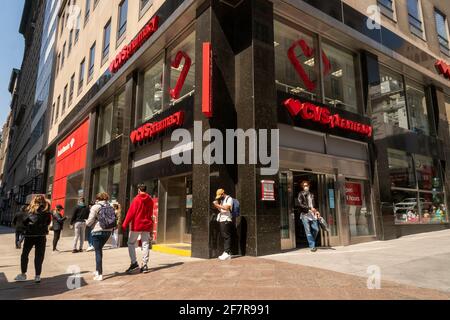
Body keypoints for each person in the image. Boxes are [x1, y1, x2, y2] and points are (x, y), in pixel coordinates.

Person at [14, 195, 52, 283]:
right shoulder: (47, 212)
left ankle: (23, 274)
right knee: (39, 256)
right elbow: (48, 223)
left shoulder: (29, 210)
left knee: (25, 255)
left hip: (30, 236)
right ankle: (37, 276)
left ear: (33, 201)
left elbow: (24, 223)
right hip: (41, 237)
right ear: (43, 201)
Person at [123, 184, 154, 274]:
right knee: (145, 244)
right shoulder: (150, 200)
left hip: (137, 225)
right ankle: (144, 265)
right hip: (147, 225)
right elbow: (151, 213)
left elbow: (131, 213)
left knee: (131, 243)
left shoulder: (136, 199)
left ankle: (134, 263)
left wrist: (124, 224)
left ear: (139, 190)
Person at [86, 192, 114, 281]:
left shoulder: (95, 207)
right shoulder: (110, 206)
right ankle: (97, 270)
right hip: (108, 231)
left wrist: (86, 223)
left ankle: (99, 273)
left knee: (98, 252)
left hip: (97, 231)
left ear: (98, 198)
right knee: (99, 251)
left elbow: (90, 221)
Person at [298, 180, 320, 252]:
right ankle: (312, 246)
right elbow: (300, 204)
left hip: (312, 214)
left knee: (316, 229)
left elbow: (315, 204)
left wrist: (317, 211)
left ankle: (312, 241)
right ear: (302, 187)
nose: (306, 187)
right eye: (304, 186)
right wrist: (309, 208)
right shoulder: (301, 194)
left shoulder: (312, 194)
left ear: (309, 186)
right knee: (308, 231)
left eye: (306, 185)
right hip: (305, 214)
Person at [213, 189, 233, 261]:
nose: (219, 197)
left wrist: (217, 205)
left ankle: (227, 252)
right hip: (222, 219)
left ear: (223, 193)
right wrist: (217, 206)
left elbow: (226, 208)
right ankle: (226, 252)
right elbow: (221, 210)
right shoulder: (223, 200)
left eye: (220, 196)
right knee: (224, 236)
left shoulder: (229, 199)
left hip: (226, 220)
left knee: (226, 236)